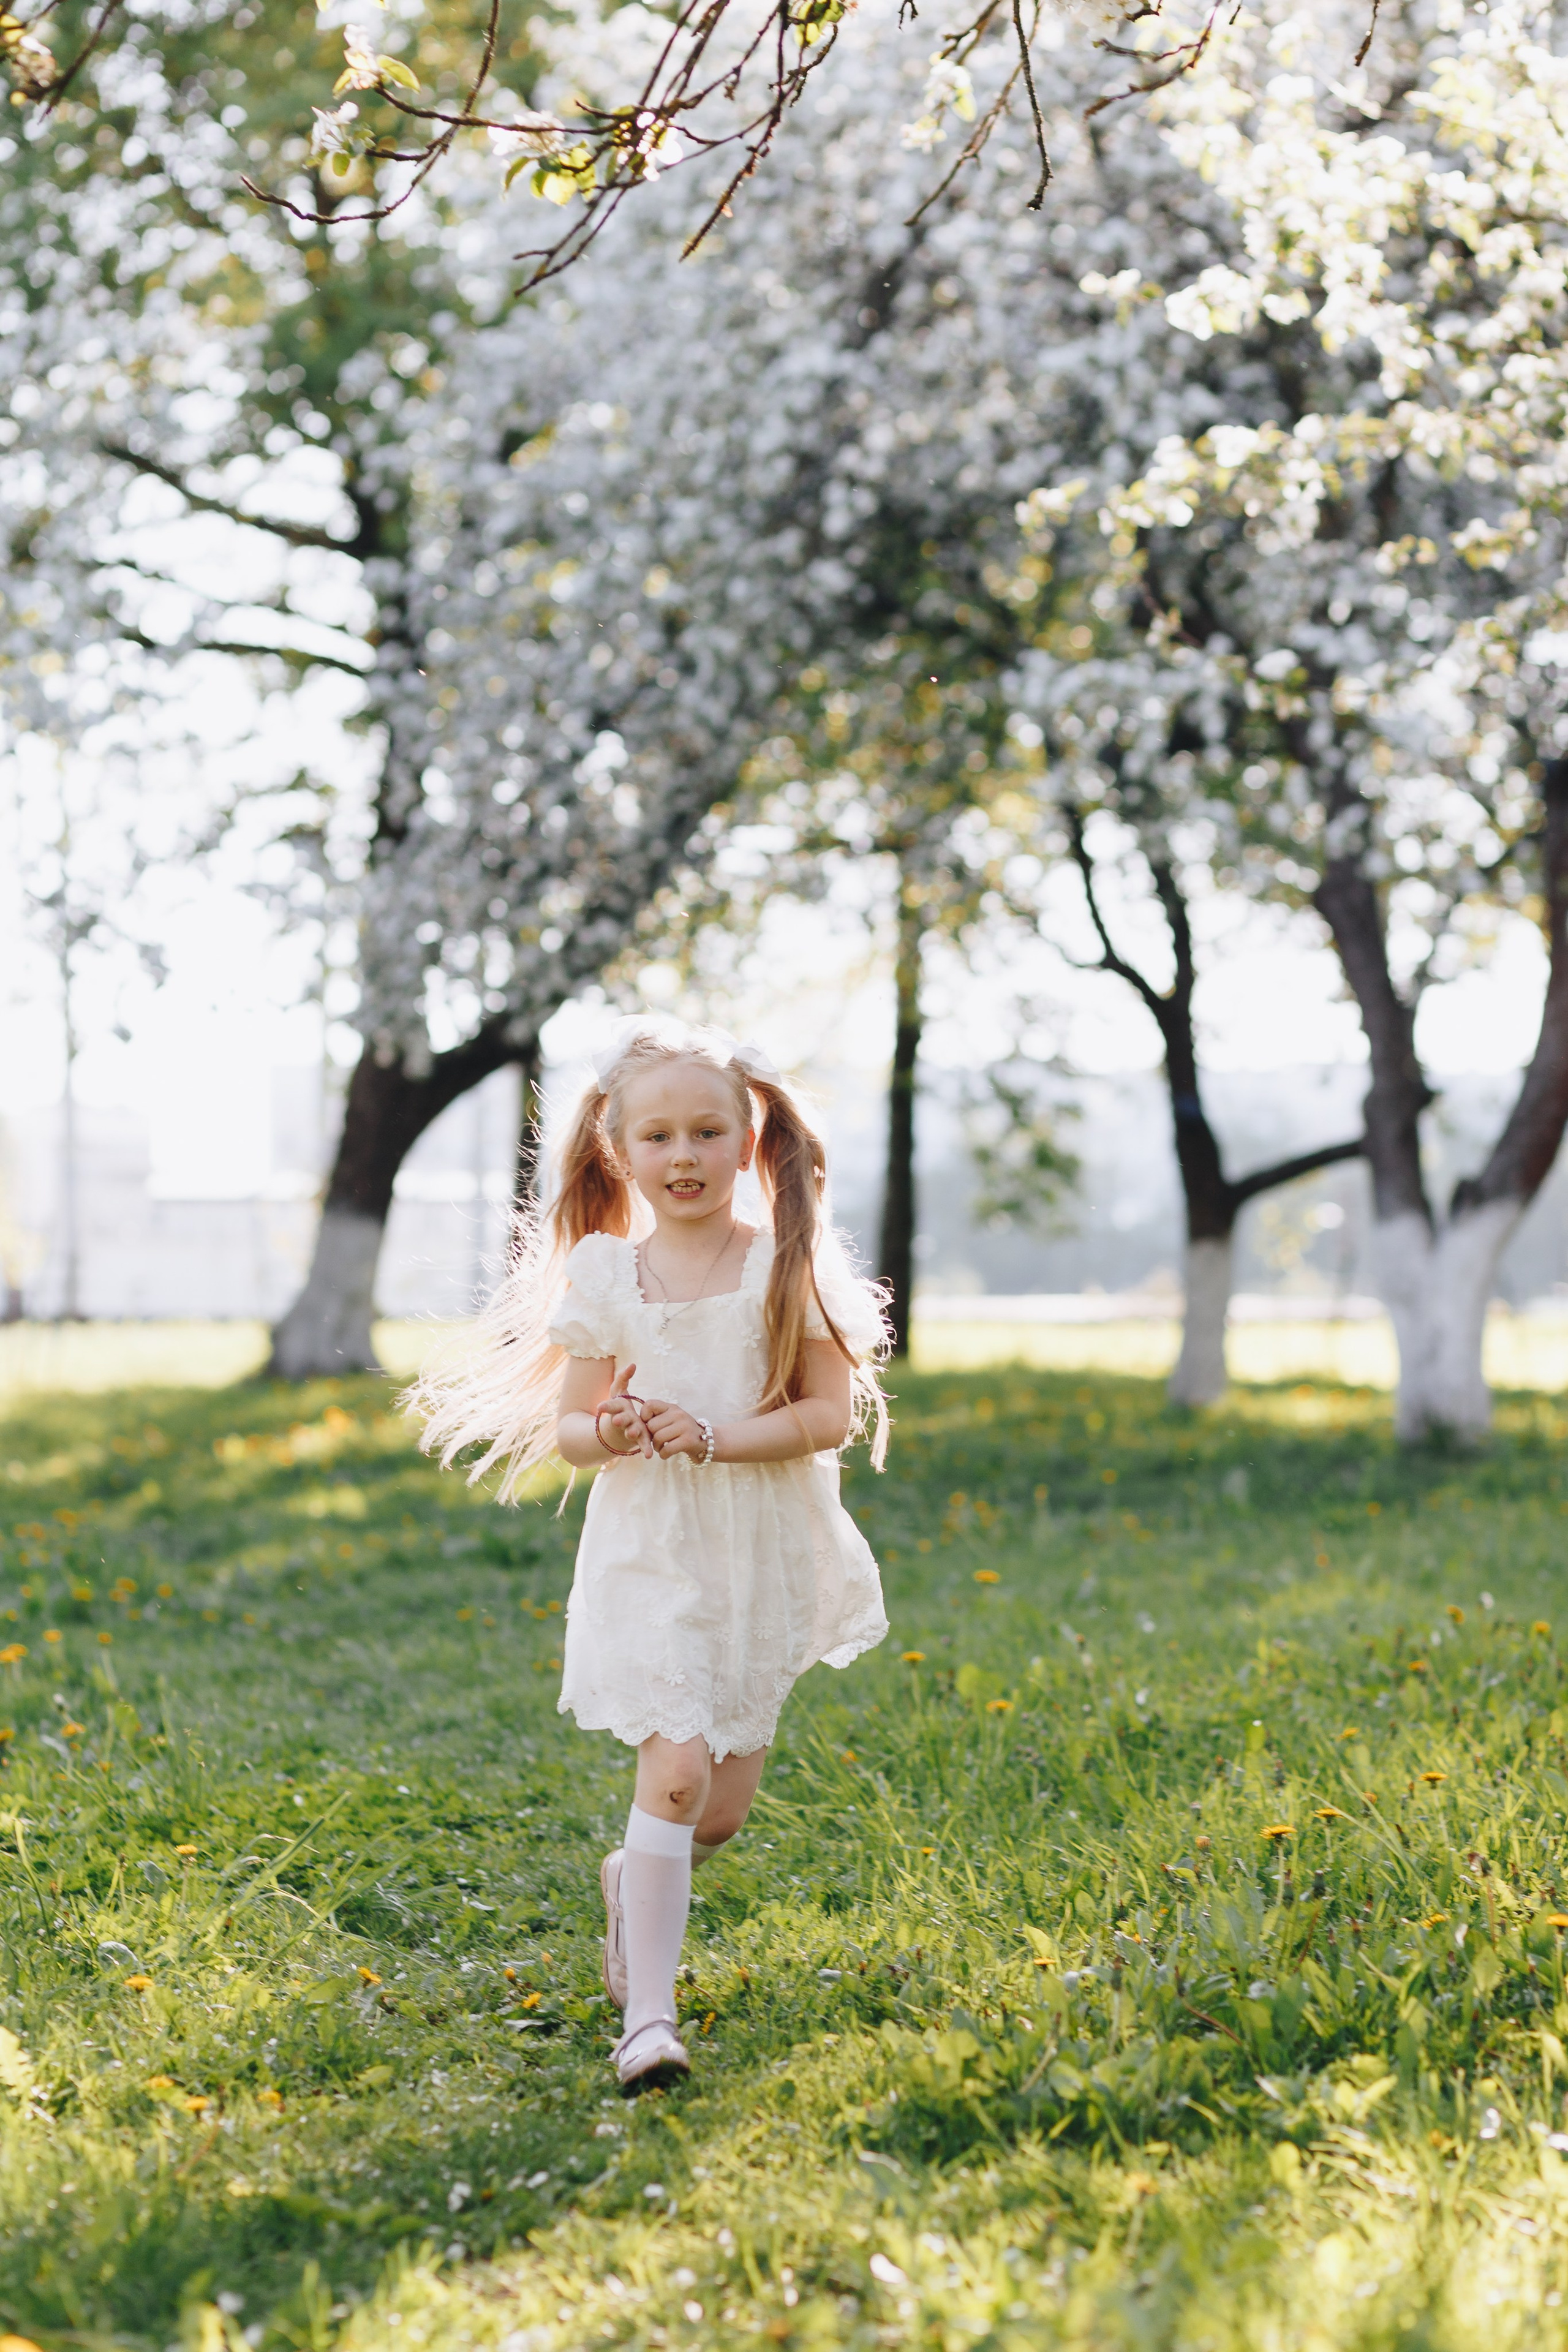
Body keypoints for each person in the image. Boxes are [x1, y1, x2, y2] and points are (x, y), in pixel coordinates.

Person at [409, 1026, 890, 2092]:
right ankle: (650, 2025)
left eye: (708, 1131)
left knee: (715, 1811)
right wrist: (617, 1429)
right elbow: (574, 1429)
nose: (686, 1154)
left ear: (744, 1139)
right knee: (672, 1773)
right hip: (651, 1550)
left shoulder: (785, 1263)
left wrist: (718, 1436)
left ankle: (634, 1876)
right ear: (622, 1152)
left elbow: (827, 1415)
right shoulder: (608, 1270)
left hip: (758, 1547)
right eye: (661, 1135)